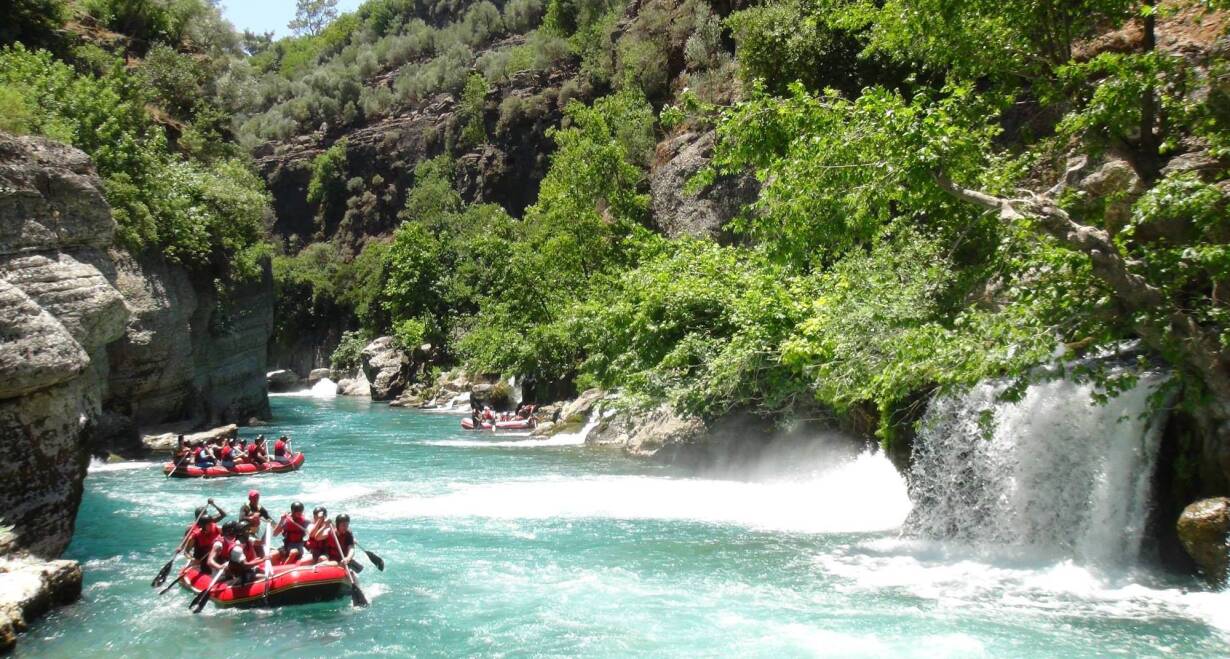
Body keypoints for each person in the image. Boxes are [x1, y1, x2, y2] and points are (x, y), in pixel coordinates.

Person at [185, 499, 227, 573]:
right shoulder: (194, 533)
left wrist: (213, 504)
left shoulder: (215, 526)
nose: (211, 525)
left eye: (211, 523)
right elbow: (186, 551)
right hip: (202, 558)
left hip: (215, 555)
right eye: (208, 524)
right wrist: (193, 559)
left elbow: (223, 515)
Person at [239, 490, 270, 556]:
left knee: (261, 553)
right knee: (259, 545)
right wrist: (251, 518)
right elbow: (241, 518)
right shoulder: (245, 507)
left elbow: (269, 519)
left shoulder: (260, 508)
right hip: (244, 533)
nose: (255, 500)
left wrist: (276, 526)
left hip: (253, 533)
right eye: (253, 498)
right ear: (249, 499)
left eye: (256, 498)